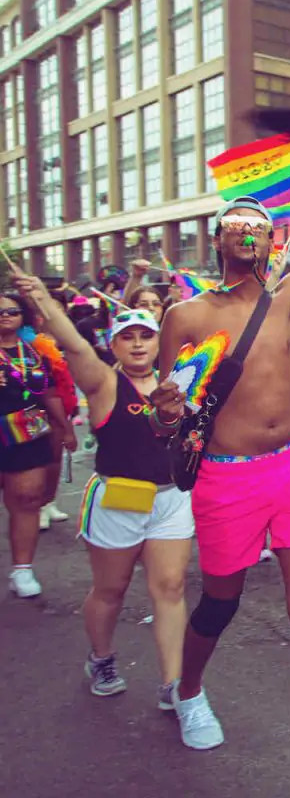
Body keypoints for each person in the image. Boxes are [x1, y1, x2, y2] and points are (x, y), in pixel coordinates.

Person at [148, 107, 290, 797]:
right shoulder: (184, 317)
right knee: (222, 599)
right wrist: (166, 409)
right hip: (226, 477)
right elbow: (170, 417)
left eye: (257, 227)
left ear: (271, 240)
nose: (246, 233)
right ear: (217, 241)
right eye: (234, 226)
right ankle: (188, 689)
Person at [19, 274, 193, 708]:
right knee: (110, 590)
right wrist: (43, 302)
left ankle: (172, 684)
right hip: (119, 499)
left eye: (146, 337)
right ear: (113, 345)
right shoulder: (104, 383)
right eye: (127, 338)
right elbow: (74, 346)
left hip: (171, 500)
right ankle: (101, 657)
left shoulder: (179, 382)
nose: (137, 345)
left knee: (170, 588)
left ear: (158, 343)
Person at [1, 292, 75, 597]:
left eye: (12, 310)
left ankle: (22, 570)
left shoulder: (36, 351)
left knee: (29, 499)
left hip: (27, 434)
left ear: (24, 317)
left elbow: (51, 393)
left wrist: (65, 427)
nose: (5, 315)